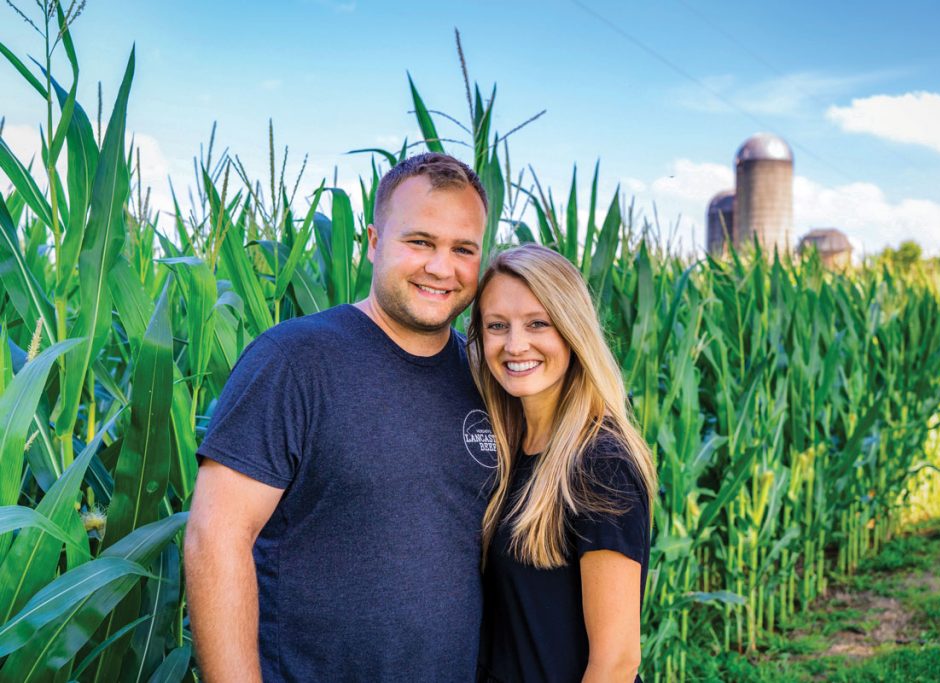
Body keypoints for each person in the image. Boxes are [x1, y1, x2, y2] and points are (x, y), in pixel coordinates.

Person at [184, 152, 498, 682]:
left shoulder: (487, 379)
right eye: (420, 242)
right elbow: (216, 539)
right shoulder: (295, 360)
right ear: (373, 242)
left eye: (462, 249)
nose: (442, 268)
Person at [469, 244, 657, 682]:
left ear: (572, 330)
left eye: (538, 323)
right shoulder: (508, 447)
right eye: (497, 325)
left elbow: (616, 662)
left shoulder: (599, 464)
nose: (515, 345)